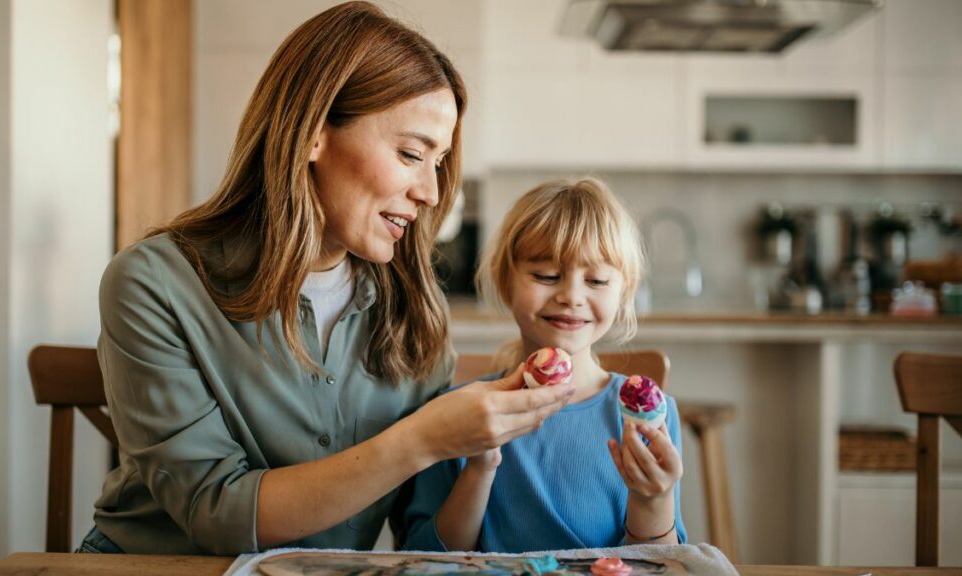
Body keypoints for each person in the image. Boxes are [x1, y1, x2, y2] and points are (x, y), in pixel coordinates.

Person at [81, 2, 575, 555]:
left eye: (438, 163)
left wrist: (481, 455)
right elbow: (215, 511)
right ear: (312, 136)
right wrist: (423, 438)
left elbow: (428, 539)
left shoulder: (414, 308)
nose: (431, 193)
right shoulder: (153, 283)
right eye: (411, 153)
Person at [401, 178, 687, 552]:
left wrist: (653, 500)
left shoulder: (650, 418)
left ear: (624, 293)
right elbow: (426, 557)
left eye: (597, 280)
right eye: (546, 276)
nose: (571, 296)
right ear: (506, 281)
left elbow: (657, 562)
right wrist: (479, 468)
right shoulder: (457, 410)